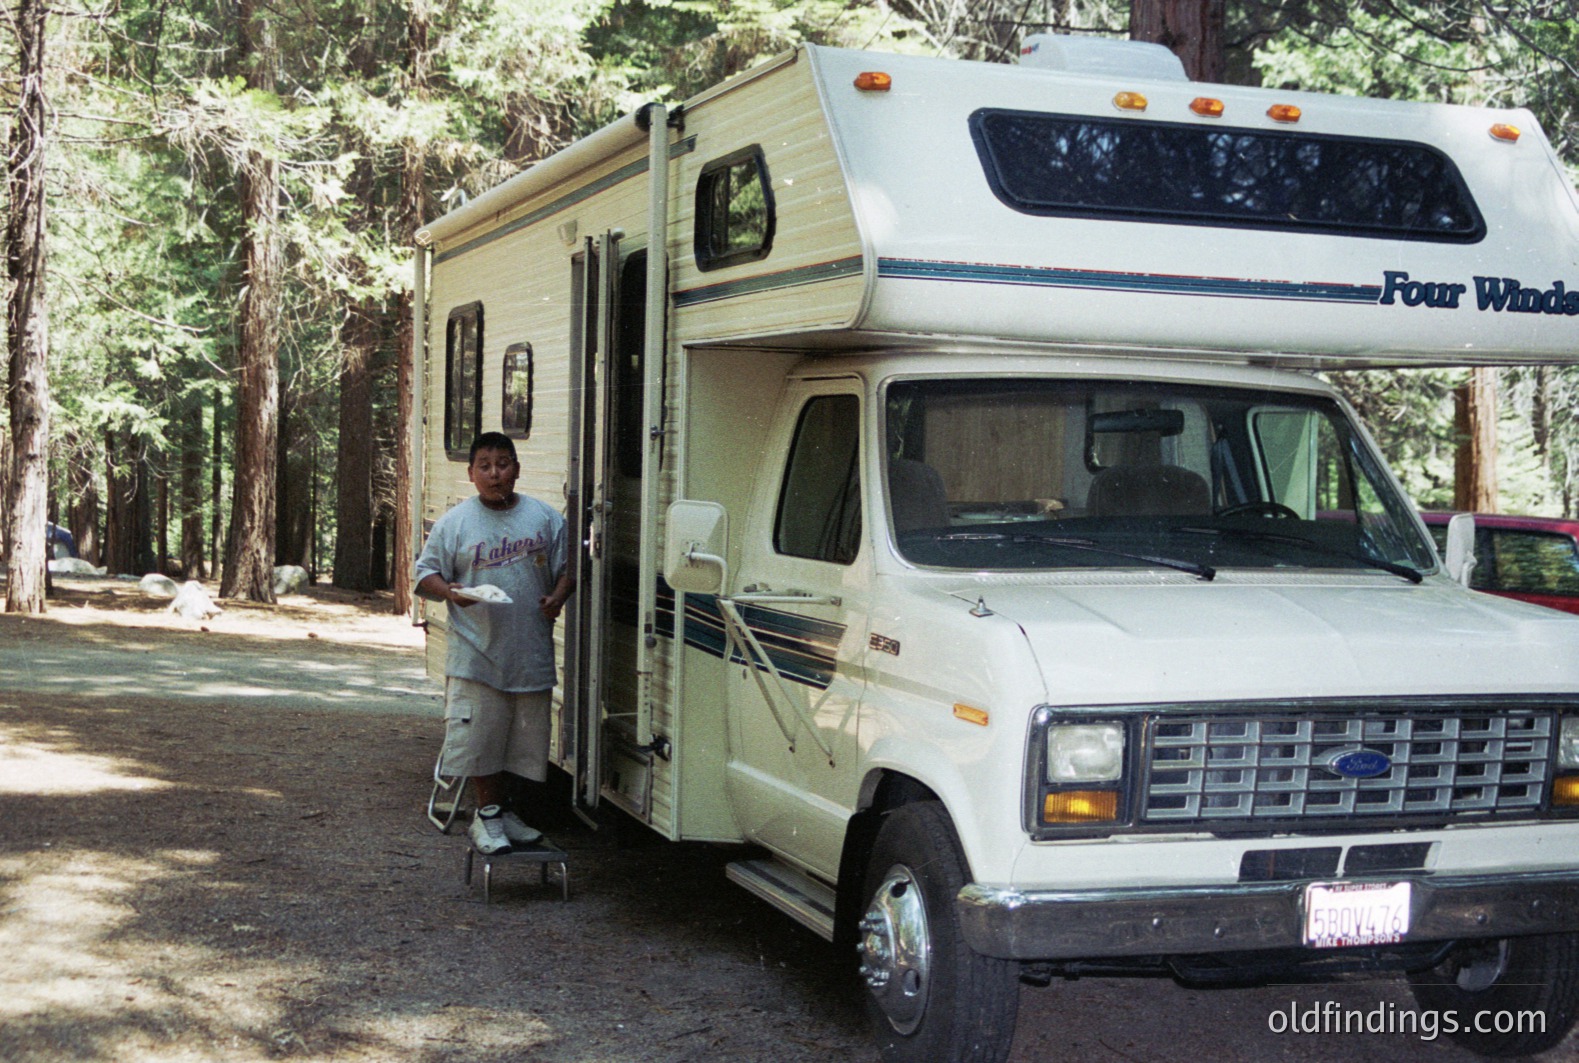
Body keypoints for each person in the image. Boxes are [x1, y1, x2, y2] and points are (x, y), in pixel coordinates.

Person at [414, 431, 574, 855]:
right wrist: (451, 592)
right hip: (476, 651)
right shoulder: (455, 523)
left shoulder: (545, 519)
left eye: (503, 464)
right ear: (471, 474)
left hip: (529, 651)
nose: (494, 473)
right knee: (480, 738)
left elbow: (569, 569)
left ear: (517, 469)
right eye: (484, 465)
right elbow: (424, 575)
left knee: (525, 746)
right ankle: (485, 818)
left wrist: (557, 597)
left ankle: (506, 815)